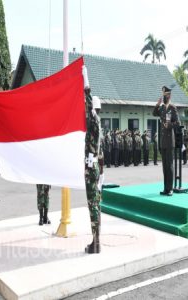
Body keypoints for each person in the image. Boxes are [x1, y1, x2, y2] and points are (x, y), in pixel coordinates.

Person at [153, 86, 180, 196]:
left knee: (169, 165)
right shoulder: (162, 108)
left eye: (166, 95)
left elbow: (177, 123)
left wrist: (169, 125)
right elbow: (154, 113)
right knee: (164, 166)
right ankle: (165, 188)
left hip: (170, 141)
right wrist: (157, 104)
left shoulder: (172, 108)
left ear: (169, 95)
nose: (164, 97)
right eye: (163, 95)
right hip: (163, 141)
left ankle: (170, 189)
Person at [84, 88, 102, 254]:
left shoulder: (94, 120)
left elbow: (88, 106)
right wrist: (102, 177)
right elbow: (101, 154)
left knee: (93, 206)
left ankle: (95, 243)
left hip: (90, 169)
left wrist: (86, 85)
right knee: (96, 205)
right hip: (94, 167)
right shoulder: (98, 124)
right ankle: (96, 241)